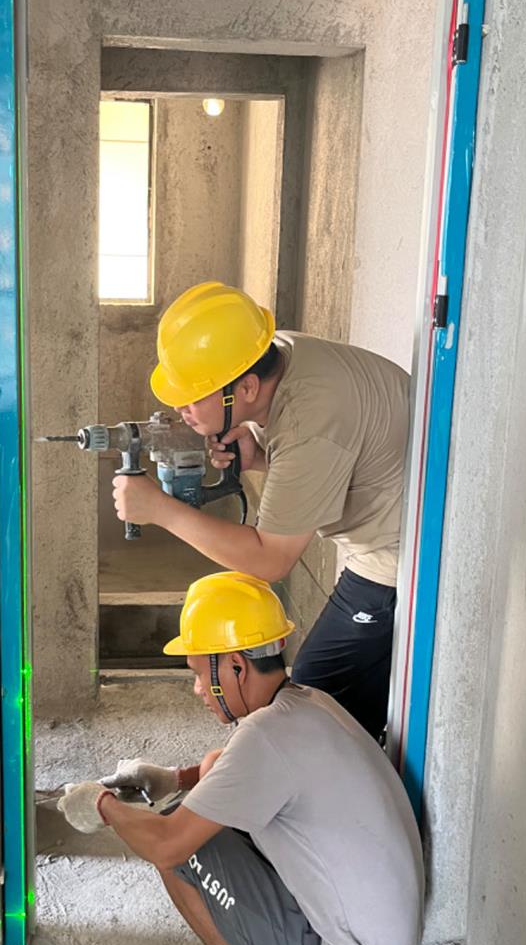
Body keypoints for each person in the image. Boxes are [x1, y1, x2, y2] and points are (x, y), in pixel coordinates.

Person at [58, 571, 424, 945]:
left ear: (234, 666)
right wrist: (175, 778)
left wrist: (100, 804)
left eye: (198, 673)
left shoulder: (265, 737)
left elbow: (165, 845)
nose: (197, 689)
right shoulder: (307, 703)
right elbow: (225, 765)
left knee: (182, 849)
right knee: (200, 801)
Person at [112, 281, 410, 739]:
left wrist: (160, 509)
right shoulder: (276, 350)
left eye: (194, 396)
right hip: (396, 522)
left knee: (312, 700)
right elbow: (331, 450)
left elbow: (271, 560)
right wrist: (261, 451)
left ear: (246, 387)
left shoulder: (311, 420)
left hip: (403, 561)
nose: (180, 408)